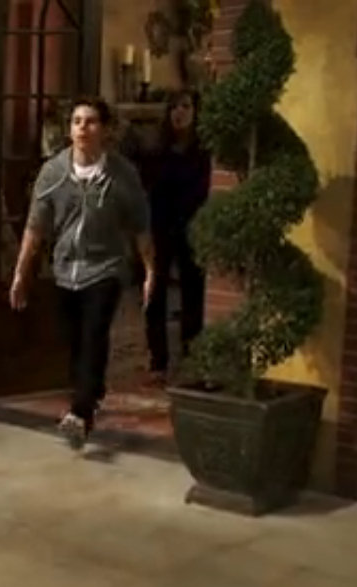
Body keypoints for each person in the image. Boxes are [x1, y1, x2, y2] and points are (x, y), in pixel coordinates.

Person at [9, 95, 156, 447]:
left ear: (104, 130)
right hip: (65, 269)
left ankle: (80, 411)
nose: (82, 128)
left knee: (94, 333)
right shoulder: (53, 173)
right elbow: (35, 227)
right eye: (77, 122)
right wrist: (21, 274)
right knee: (74, 341)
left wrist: (150, 270)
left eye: (90, 122)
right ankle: (91, 391)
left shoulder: (122, 174)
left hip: (106, 268)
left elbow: (140, 225)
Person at [139, 90, 212, 385]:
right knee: (154, 292)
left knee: (193, 293)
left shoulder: (204, 153)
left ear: (195, 112)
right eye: (174, 108)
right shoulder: (157, 152)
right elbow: (147, 191)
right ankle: (158, 359)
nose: (179, 113)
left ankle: (191, 356)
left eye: (185, 107)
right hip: (160, 228)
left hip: (193, 229)